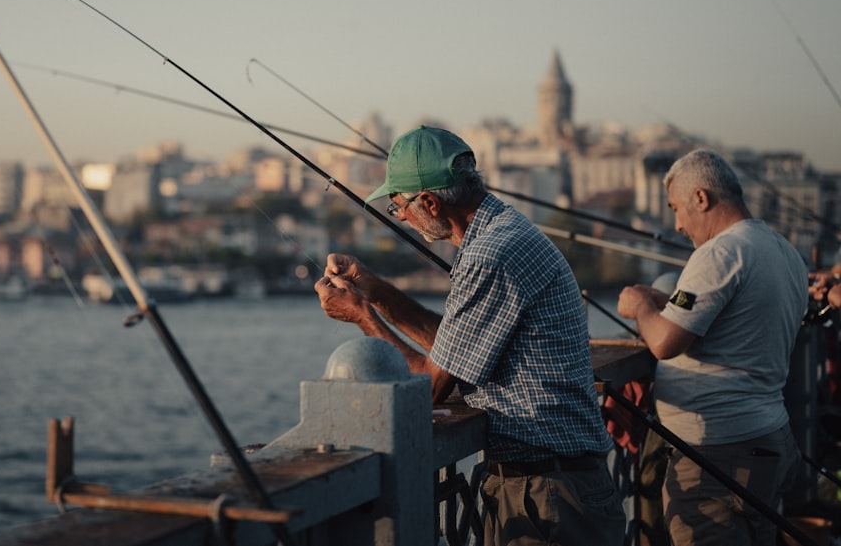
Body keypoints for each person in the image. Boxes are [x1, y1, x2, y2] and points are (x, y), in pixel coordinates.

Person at [314, 125, 626, 546]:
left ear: (429, 202)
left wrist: (362, 316)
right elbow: (454, 346)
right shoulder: (505, 230)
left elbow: (427, 386)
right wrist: (374, 289)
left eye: (398, 206)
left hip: (546, 497)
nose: (401, 217)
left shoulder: (490, 255)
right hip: (560, 485)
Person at [616, 149, 808, 546]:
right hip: (769, 437)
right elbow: (732, 322)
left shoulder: (720, 252)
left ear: (701, 198)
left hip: (718, 456)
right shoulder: (783, 250)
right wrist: (664, 304)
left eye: (677, 209)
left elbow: (664, 342)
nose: (677, 224)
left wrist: (640, 307)